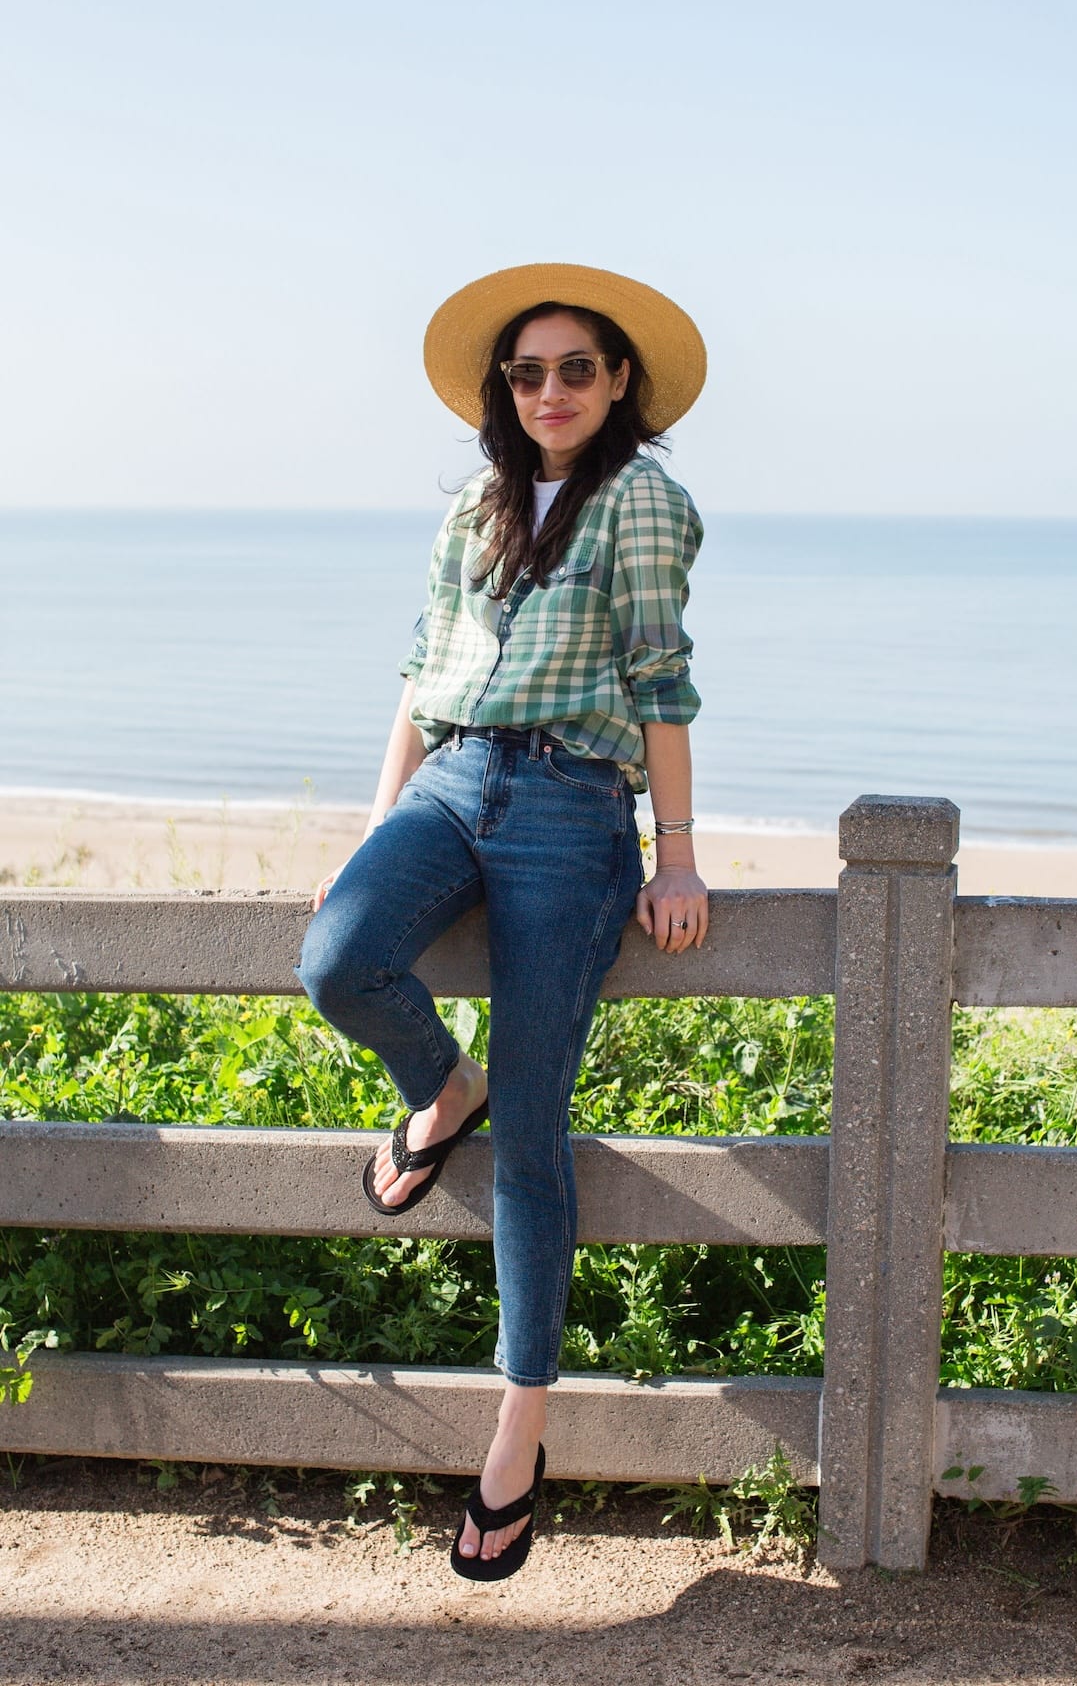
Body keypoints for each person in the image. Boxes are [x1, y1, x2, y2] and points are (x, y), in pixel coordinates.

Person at [296, 262, 708, 1581]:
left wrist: (679, 856)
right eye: (527, 373)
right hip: (457, 780)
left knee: (536, 1130)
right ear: (503, 388)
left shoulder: (642, 500)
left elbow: (664, 685)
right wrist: (380, 827)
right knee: (337, 960)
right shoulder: (473, 506)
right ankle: (440, 1084)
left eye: (575, 369)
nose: (549, 392)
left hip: (574, 807)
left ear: (619, 381)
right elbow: (419, 674)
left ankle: (516, 1435)